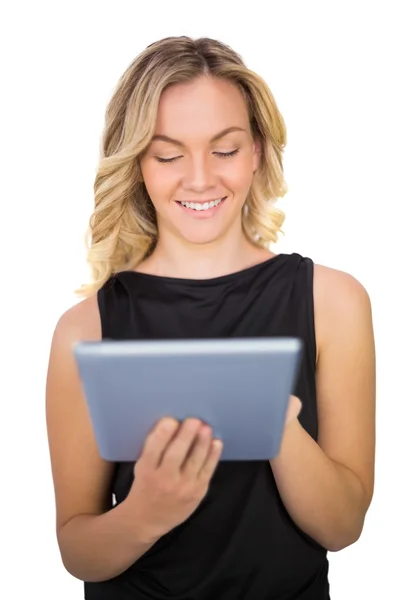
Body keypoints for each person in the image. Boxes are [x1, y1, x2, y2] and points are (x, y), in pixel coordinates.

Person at [45, 36, 376, 600]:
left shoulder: (333, 302)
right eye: (169, 155)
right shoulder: (86, 328)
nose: (199, 179)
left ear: (257, 152)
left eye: (223, 150)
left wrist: (273, 421)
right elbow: (78, 550)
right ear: (138, 164)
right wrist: (147, 511)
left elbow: (342, 528)